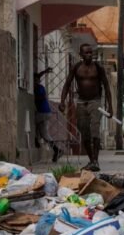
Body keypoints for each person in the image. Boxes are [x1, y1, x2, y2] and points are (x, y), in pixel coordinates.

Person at [59, 43, 112, 172]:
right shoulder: (76, 67)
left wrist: (110, 106)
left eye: (91, 53)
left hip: (95, 101)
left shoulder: (98, 68)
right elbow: (67, 84)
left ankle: (96, 161)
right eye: (86, 53)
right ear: (81, 55)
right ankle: (92, 160)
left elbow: (106, 86)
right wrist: (62, 101)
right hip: (82, 102)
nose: (89, 55)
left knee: (95, 129)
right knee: (84, 132)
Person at [33, 67, 63, 162]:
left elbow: (41, 97)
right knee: (45, 134)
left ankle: (36, 139)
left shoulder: (39, 88)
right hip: (45, 113)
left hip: (44, 112)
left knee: (33, 121)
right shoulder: (37, 86)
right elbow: (38, 76)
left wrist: (36, 99)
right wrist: (44, 72)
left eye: (35, 80)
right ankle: (56, 150)